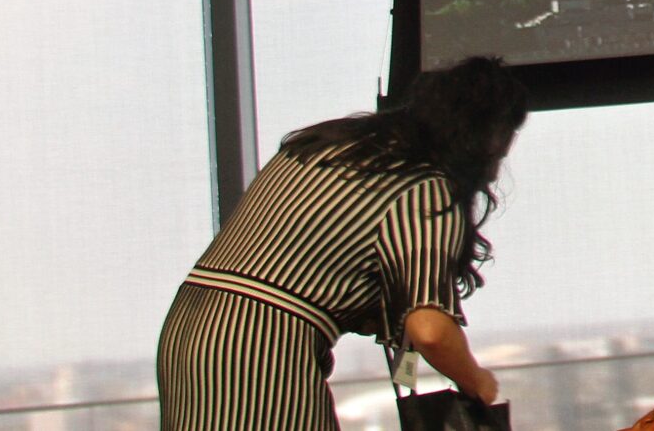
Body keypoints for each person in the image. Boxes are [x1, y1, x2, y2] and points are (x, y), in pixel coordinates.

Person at [157, 56, 530, 431]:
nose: (494, 172)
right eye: (498, 154)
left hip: (189, 333)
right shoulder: (424, 189)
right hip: (258, 350)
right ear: (485, 138)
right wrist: (476, 379)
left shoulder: (328, 145)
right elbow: (429, 329)